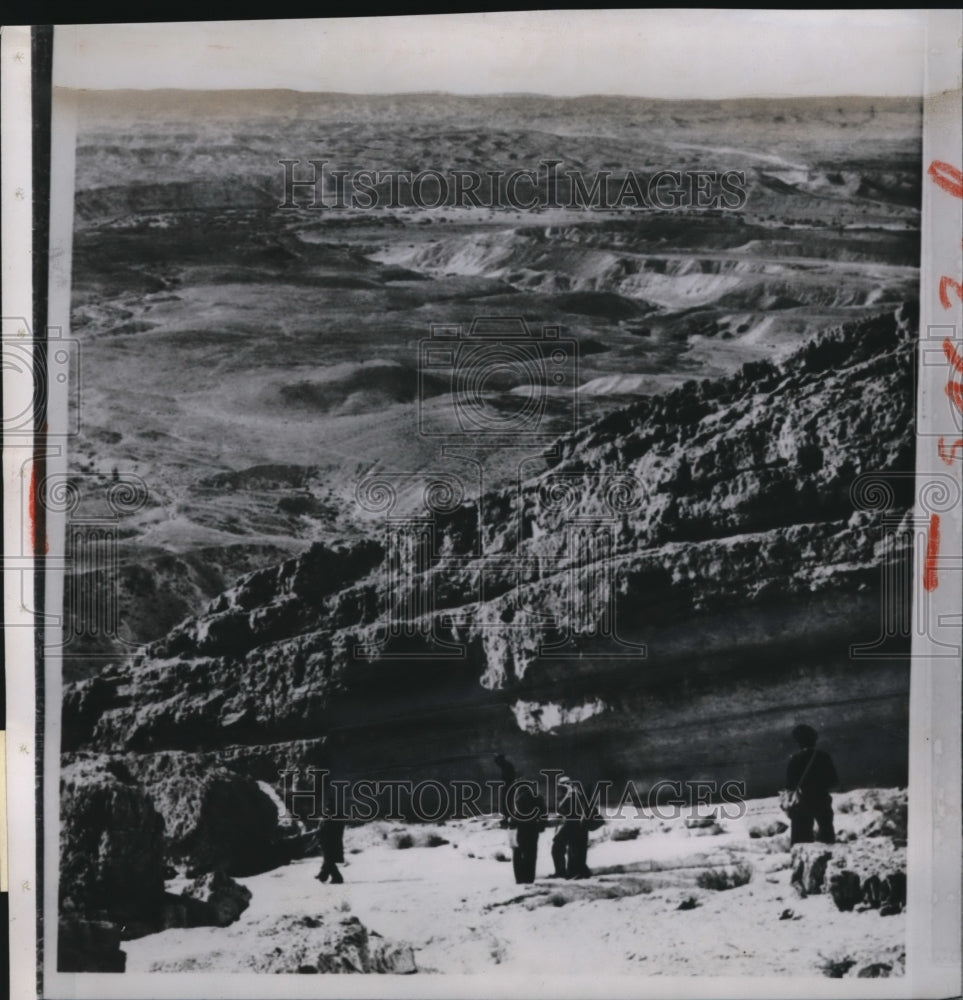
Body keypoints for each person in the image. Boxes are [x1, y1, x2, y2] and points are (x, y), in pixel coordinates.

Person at [786, 724, 838, 846]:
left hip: (802, 802)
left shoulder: (795, 760)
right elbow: (834, 781)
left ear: (798, 742)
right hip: (822, 800)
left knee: (801, 841)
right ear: (814, 740)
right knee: (827, 836)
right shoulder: (824, 757)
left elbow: (789, 785)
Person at [551, 776, 604, 879]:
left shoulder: (573, 796)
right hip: (576, 825)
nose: (560, 789)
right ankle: (573, 871)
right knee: (572, 848)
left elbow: (565, 810)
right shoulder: (573, 795)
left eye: (562, 786)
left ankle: (574, 872)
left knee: (573, 849)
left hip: (576, 825)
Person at [507, 783, 548, 884]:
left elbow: (514, 815)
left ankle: (519, 878)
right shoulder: (538, 798)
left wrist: (511, 826)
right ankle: (529, 878)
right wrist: (542, 826)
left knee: (518, 854)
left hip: (519, 830)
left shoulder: (517, 798)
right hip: (533, 829)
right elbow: (543, 814)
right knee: (531, 854)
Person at [315, 793, 346, 884]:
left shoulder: (331, 816)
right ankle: (323, 875)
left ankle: (336, 878)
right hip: (332, 841)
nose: (327, 808)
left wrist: (319, 832)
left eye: (328, 806)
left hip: (329, 841)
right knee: (329, 859)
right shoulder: (335, 815)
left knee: (329, 859)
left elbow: (326, 828)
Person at [493, 753, 517, 828]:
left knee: (508, 803)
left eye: (498, 762)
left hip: (508, 786)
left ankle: (510, 819)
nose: (497, 764)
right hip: (508, 786)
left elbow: (509, 777)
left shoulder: (506, 766)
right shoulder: (505, 765)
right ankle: (507, 818)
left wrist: (503, 780)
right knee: (507, 803)